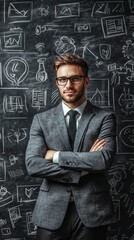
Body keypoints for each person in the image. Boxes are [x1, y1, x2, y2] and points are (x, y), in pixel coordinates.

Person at [25, 53, 116, 240]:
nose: (68, 85)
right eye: (62, 79)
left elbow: (103, 159)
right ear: (57, 82)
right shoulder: (41, 120)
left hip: (93, 210)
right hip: (50, 211)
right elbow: (33, 164)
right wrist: (82, 171)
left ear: (86, 81)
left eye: (75, 78)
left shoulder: (104, 118)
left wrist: (55, 155)